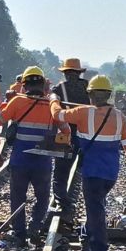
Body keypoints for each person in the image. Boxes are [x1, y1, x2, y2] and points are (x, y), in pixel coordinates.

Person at [53, 74, 126, 251]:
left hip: (92, 173)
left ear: (90, 95)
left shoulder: (83, 112)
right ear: (108, 95)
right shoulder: (120, 118)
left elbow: (57, 115)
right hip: (110, 174)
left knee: (96, 211)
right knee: (96, 206)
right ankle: (87, 234)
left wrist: (53, 100)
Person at [0, 67, 58, 245]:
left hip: (20, 160)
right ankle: (35, 227)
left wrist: (7, 103)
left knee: (18, 196)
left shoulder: (17, 101)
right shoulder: (51, 104)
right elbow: (63, 128)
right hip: (42, 161)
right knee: (42, 196)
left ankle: (19, 233)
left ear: (24, 86)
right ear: (43, 85)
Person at [50, 57, 90, 209]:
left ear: (65, 73)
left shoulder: (59, 89)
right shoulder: (88, 87)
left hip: (67, 132)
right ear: (79, 73)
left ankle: (61, 198)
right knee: (85, 167)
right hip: (86, 134)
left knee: (61, 169)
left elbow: (52, 102)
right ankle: (88, 200)